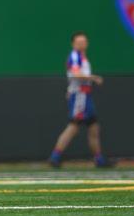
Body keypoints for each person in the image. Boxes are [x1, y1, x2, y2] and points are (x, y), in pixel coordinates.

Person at [49, 31, 116, 168]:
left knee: (93, 127)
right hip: (80, 96)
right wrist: (93, 78)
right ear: (73, 44)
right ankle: (55, 157)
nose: (82, 44)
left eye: (84, 42)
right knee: (73, 126)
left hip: (85, 95)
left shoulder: (82, 57)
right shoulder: (75, 56)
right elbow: (75, 74)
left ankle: (99, 159)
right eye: (79, 42)